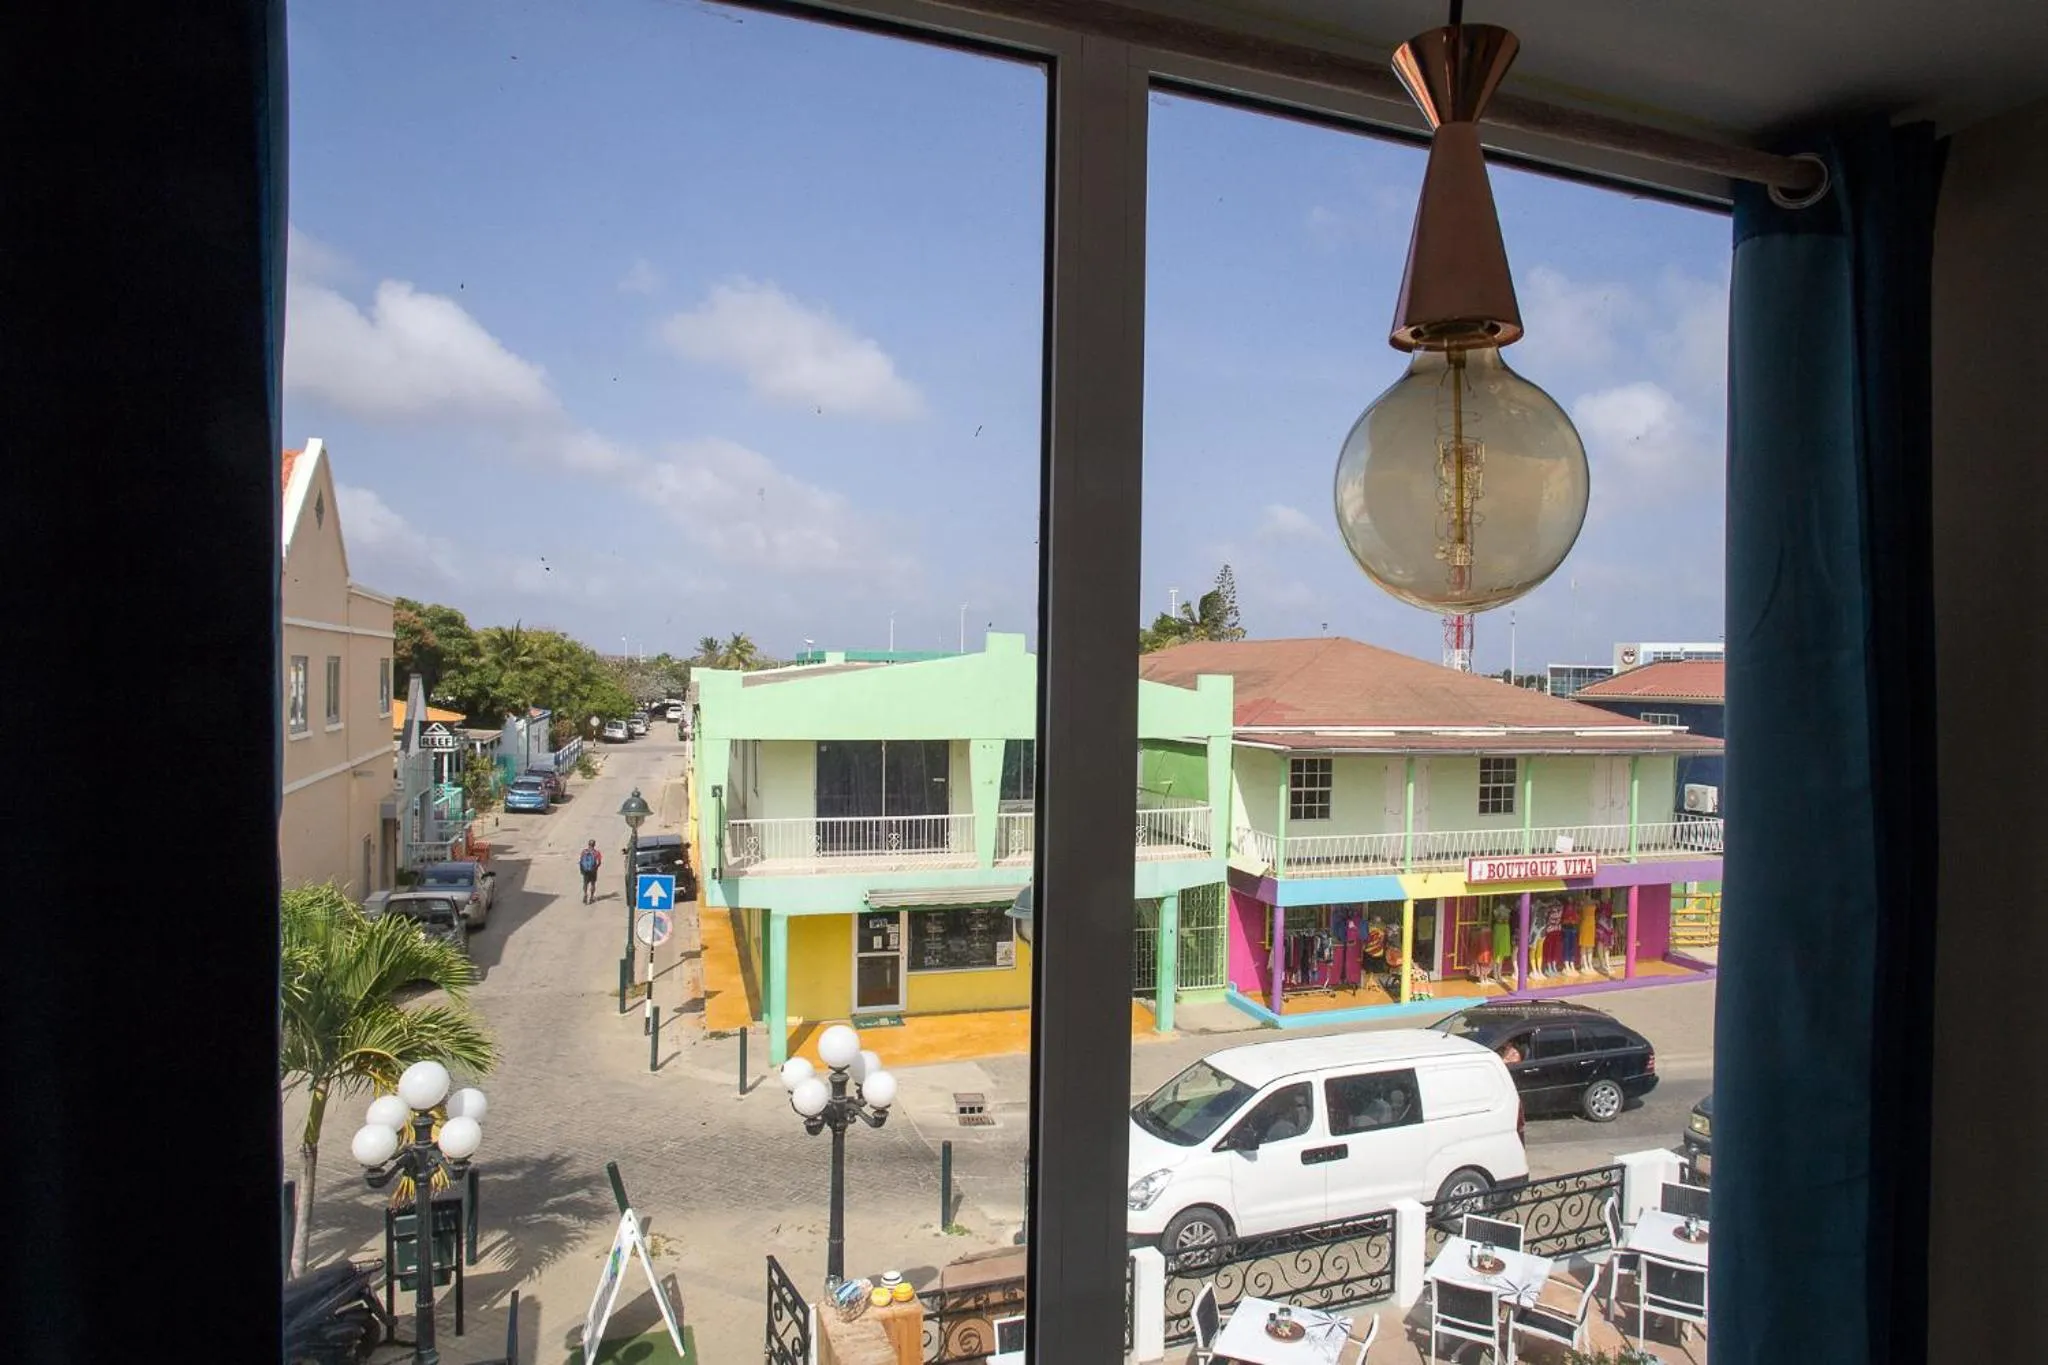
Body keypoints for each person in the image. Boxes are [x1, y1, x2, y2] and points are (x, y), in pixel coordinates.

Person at [578, 839, 602, 904]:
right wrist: (595, 868)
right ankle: (591, 897)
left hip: (585, 871)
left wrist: (582, 870)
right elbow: (599, 862)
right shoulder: (597, 853)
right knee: (593, 883)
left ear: (588, 844)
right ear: (594, 845)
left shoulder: (584, 851)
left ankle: (585, 894)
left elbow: (581, 861)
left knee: (585, 883)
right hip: (593, 871)